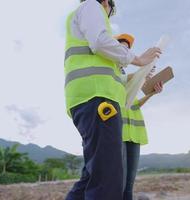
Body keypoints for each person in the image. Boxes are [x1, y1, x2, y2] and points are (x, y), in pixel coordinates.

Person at [64, 0, 162, 199]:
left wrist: (144, 75)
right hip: (97, 97)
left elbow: (127, 86)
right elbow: (100, 41)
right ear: (107, 3)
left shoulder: (110, 67)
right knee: (107, 180)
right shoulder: (92, 5)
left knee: (94, 175)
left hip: (91, 99)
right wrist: (139, 59)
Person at [115, 33, 163, 200]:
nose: (125, 50)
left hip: (134, 135)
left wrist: (151, 93)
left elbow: (134, 104)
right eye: (122, 47)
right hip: (117, 133)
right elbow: (118, 80)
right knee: (117, 184)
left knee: (128, 185)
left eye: (128, 48)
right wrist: (141, 74)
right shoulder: (109, 71)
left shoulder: (127, 76)